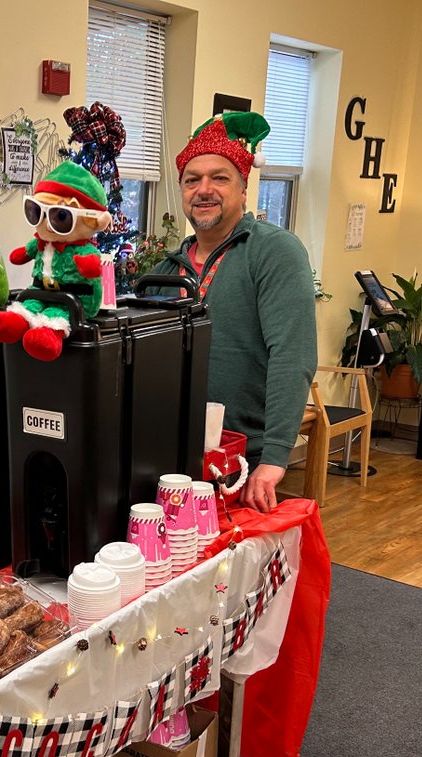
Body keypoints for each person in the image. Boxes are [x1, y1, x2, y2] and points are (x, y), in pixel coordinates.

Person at [146, 112, 317, 513]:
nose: (204, 190)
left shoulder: (274, 253)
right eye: (192, 180)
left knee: (231, 572)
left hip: (241, 459)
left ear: (243, 188)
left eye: (219, 178)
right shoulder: (165, 271)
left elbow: (292, 355)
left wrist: (275, 457)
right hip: (168, 452)